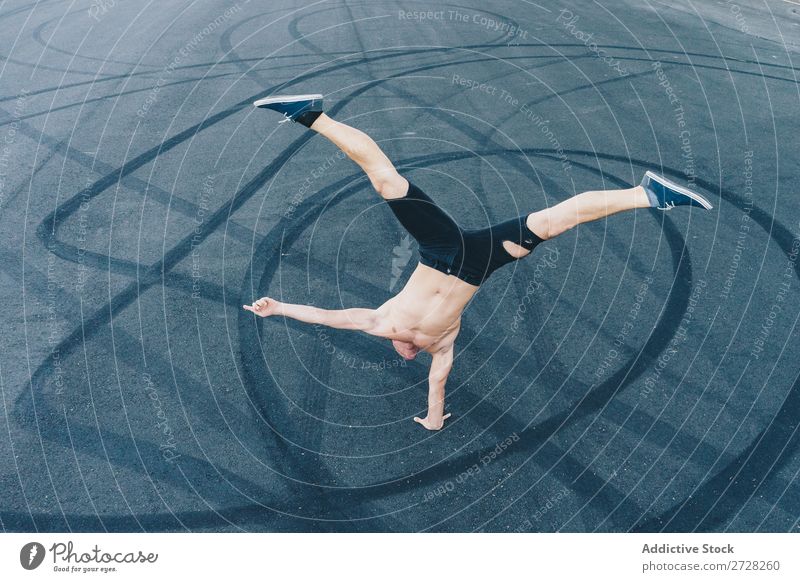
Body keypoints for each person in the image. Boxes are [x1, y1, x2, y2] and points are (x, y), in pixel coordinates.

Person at [243, 94, 713, 430]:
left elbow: (325, 317)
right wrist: (432, 419)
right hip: (480, 263)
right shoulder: (442, 345)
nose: (404, 354)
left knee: (386, 181)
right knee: (551, 223)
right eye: (409, 356)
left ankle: (312, 115)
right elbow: (437, 386)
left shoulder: (382, 323)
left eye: (402, 354)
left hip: (441, 249)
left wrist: (278, 308)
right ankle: (648, 193)